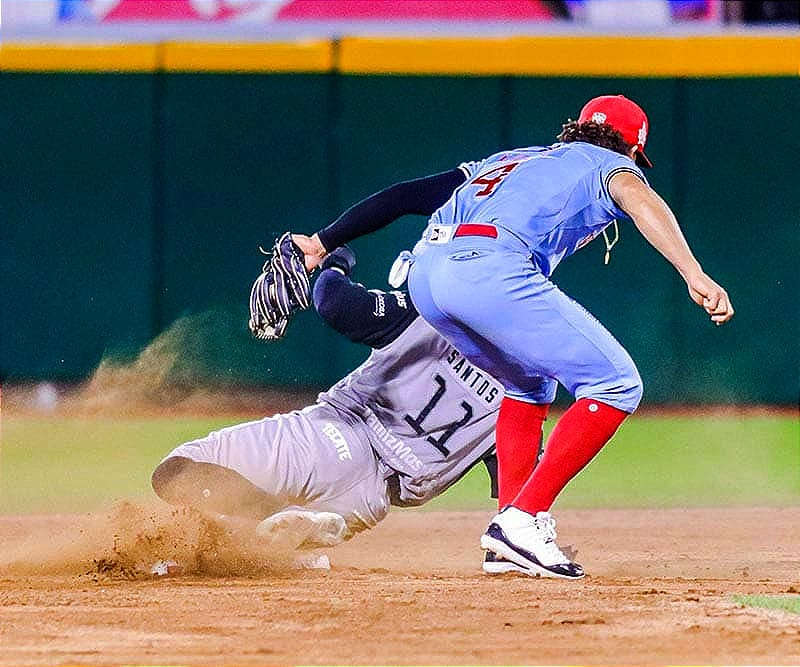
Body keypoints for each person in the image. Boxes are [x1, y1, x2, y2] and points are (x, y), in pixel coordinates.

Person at [291, 94, 735, 579]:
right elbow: (639, 197)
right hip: (488, 268)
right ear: (631, 149)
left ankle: (507, 533)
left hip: (427, 271)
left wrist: (323, 241)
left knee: (528, 385)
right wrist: (693, 272)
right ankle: (523, 520)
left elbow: (405, 195)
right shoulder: (611, 165)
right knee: (617, 384)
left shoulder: (512, 158)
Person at [152, 247, 522, 563]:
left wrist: (334, 262)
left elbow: (334, 303)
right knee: (252, 549)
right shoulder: (526, 382)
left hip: (332, 440)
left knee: (176, 472)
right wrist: (504, 544)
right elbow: (513, 477)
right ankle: (296, 535)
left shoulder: (428, 318)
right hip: (369, 503)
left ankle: (276, 517)